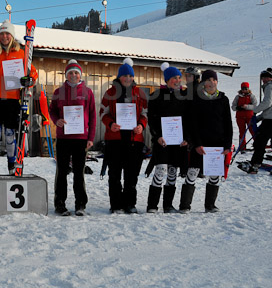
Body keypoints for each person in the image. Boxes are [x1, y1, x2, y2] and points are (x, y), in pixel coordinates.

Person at [0, 20, 38, 176]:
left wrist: (29, 80)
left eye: (7, 33)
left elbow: (32, 73)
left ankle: (12, 165)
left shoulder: (20, 54)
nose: (4, 36)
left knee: (10, 133)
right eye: (2, 34)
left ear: (11, 35)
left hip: (12, 98)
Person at [99, 58, 148, 214]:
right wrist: (110, 124)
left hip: (134, 140)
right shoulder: (110, 93)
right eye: (125, 76)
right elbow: (102, 113)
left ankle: (130, 204)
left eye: (130, 76)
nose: (128, 78)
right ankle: (116, 204)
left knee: (131, 175)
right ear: (119, 77)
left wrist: (141, 125)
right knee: (114, 174)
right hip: (115, 140)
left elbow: (145, 113)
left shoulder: (139, 93)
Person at [49, 60, 96, 216]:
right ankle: (60, 204)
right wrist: (57, 121)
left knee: (79, 171)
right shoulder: (58, 92)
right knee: (62, 171)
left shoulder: (88, 92)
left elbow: (92, 116)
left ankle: (80, 204)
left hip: (81, 138)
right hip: (63, 137)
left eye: (76, 72)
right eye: (71, 72)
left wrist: (91, 137)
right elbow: (53, 111)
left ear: (80, 75)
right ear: (66, 75)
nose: (73, 75)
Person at [181, 70, 232, 213]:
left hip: (217, 145)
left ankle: (210, 205)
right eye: (208, 80)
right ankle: (185, 206)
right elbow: (192, 124)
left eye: (214, 80)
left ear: (217, 82)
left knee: (214, 176)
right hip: (200, 145)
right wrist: (196, 144)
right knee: (192, 174)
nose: (211, 82)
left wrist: (227, 145)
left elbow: (228, 123)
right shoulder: (196, 99)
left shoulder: (223, 99)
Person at [146, 63, 189, 213]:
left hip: (178, 142)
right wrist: (157, 136)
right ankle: (152, 205)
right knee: (160, 170)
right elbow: (151, 119)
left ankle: (168, 205)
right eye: (173, 78)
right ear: (167, 80)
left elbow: (189, 120)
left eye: (179, 77)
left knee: (172, 172)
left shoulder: (185, 96)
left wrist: (187, 138)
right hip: (162, 141)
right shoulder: (156, 96)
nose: (177, 80)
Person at [243, 68, 272, 174]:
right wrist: (259, 117)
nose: (264, 79)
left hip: (269, 122)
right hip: (268, 119)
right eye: (263, 78)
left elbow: (267, 103)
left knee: (260, 142)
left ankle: (255, 165)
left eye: (266, 77)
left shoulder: (269, 86)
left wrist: (254, 111)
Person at [231, 82, 258, 153]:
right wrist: (239, 107)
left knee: (253, 131)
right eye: (243, 89)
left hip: (249, 116)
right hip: (240, 117)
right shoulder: (238, 97)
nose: (244, 90)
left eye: (246, 89)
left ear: (248, 89)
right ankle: (242, 147)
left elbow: (255, 105)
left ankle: (258, 145)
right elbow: (233, 107)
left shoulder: (251, 96)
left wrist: (247, 107)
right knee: (242, 132)